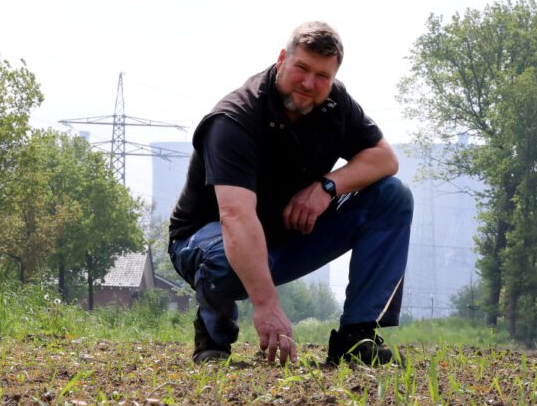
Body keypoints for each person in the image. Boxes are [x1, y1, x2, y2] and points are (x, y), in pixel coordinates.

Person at [168, 21, 413, 366]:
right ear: (283, 59)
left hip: (285, 240)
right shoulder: (235, 119)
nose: (310, 84)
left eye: (323, 76)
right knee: (223, 254)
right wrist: (267, 306)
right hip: (211, 239)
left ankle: (357, 336)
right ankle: (214, 336)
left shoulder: (335, 105)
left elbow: (385, 159)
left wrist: (328, 187)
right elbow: (235, 218)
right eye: (301, 68)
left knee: (391, 196)